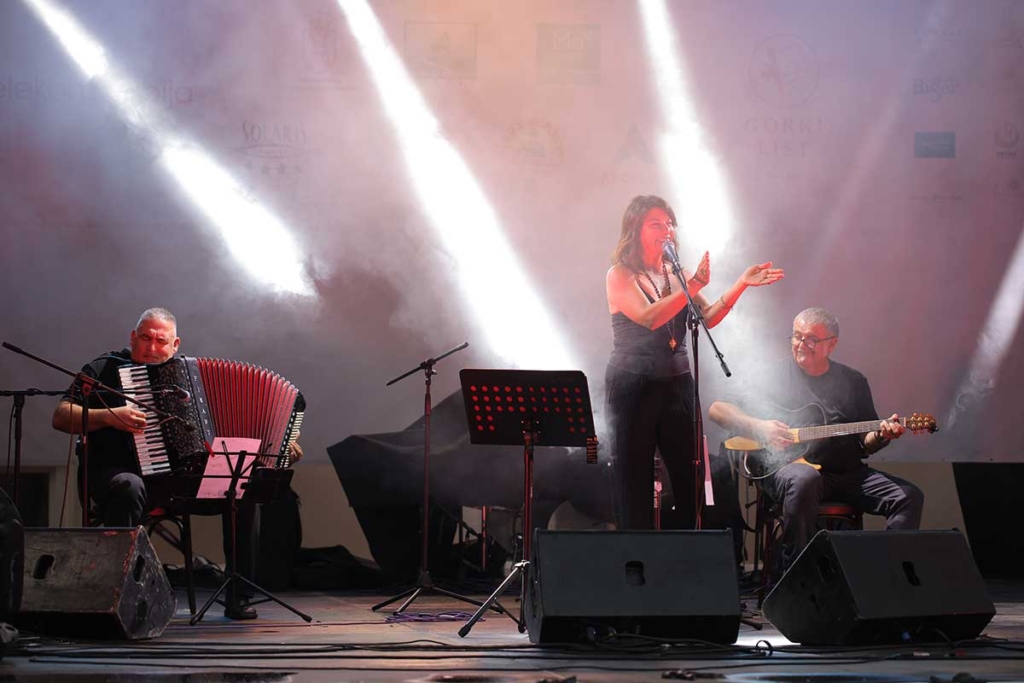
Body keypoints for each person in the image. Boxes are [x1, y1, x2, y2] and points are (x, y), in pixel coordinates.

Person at [52, 307, 303, 620]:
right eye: (145, 338)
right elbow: (61, 416)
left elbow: (233, 428)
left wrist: (279, 446)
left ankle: (238, 594)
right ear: (132, 338)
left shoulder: (190, 377)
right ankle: (119, 595)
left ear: (175, 345)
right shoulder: (105, 368)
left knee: (241, 490)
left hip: (180, 483)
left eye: (161, 341)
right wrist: (109, 417)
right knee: (129, 487)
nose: (152, 347)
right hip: (120, 473)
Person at [605, 195, 784, 530]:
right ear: (635, 228)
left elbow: (709, 317)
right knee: (634, 478)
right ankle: (634, 553)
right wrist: (696, 282)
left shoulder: (679, 275)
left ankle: (690, 549)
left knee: (691, 474)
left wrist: (741, 284)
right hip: (633, 386)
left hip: (677, 385)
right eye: (656, 224)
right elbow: (649, 318)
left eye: (669, 223)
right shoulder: (620, 275)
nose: (666, 230)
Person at [708, 307, 924, 575]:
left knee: (908, 496)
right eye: (796, 336)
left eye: (811, 339)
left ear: (831, 344)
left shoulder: (853, 381)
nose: (801, 344)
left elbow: (867, 442)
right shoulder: (771, 376)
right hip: (789, 470)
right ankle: (793, 577)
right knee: (805, 479)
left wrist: (882, 435)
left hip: (847, 474)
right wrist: (759, 426)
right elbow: (717, 409)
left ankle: (887, 575)